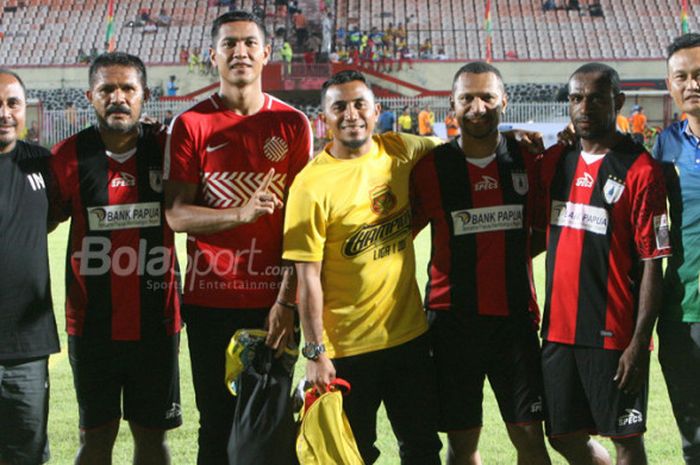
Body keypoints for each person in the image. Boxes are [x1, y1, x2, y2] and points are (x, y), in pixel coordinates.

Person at [164, 11, 312, 464]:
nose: (240, 52)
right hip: (210, 299)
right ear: (213, 56)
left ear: (267, 53)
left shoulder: (293, 125)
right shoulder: (191, 125)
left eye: (250, 43)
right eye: (229, 44)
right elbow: (176, 215)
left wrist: (287, 302)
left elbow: (302, 226)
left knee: (273, 421)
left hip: (274, 302)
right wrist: (241, 212)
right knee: (216, 423)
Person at [283, 69, 443, 465]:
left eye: (359, 105)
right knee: (352, 456)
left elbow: (461, 150)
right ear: (324, 117)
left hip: (408, 338)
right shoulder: (310, 185)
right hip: (346, 350)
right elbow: (308, 278)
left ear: (377, 112)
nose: (351, 114)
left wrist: (513, 140)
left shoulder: (402, 151)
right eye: (339, 107)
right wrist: (316, 352)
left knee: (423, 448)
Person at [411, 61, 551, 465]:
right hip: (452, 324)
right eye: (466, 98)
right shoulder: (430, 168)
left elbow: (541, 234)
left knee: (529, 437)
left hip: (515, 322)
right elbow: (401, 235)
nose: (478, 107)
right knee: (462, 444)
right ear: (450, 106)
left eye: (487, 96)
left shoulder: (528, 160)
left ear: (503, 100)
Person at [50, 52, 182, 465]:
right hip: (92, 326)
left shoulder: (167, 150)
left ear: (145, 96)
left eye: (128, 89)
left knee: (152, 441)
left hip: (157, 323)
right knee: (95, 440)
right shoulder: (68, 156)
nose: (118, 97)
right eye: (108, 89)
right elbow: (38, 221)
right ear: (91, 96)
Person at [537, 63, 670, 465]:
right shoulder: (557, 160)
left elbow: (652, 263)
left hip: (614, 334)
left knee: (625, 438)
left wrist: (639, 343)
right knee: (562, 436)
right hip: (558, 332)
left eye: (596, 97)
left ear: (619, 102)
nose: (584, 107)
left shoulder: (642, 170)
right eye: (576, 98)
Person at [0, 68, 60, 465]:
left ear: (25, 110)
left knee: (26, 454)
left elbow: (55, 215)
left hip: (26, 344)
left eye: (12, 103)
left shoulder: (43, 163)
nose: (4, 113)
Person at [652, 33, 700, 465]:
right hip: (682, 311)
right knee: (694, 439)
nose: (692, 84)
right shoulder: (665, 145)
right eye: (681, 76)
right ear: (669, 85)